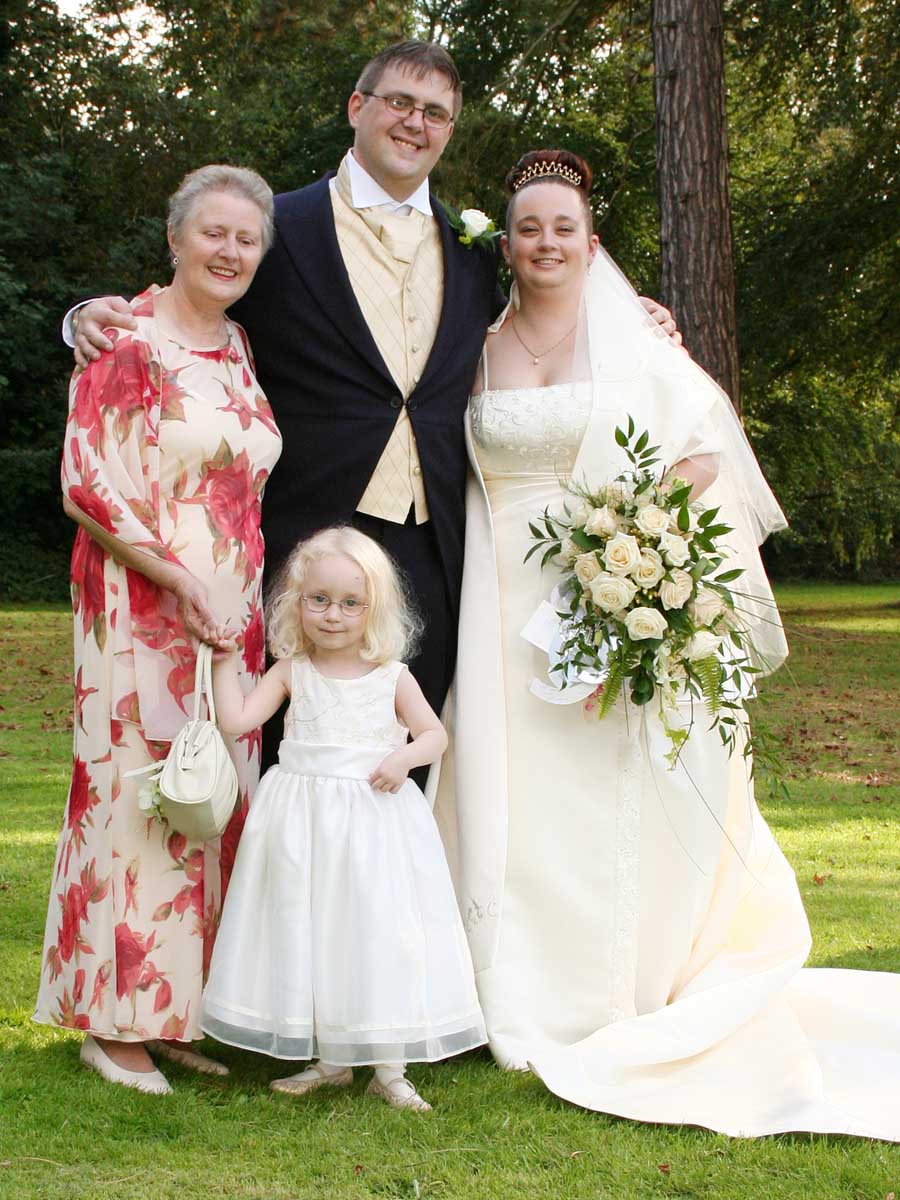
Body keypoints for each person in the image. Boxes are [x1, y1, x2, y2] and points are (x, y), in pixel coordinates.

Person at [433, 148, 900, 1139]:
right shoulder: (472, 345)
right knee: (512, 791)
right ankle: (499, 988)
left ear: (591, 242)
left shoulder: (636, 341)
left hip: (605, 590)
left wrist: (634, 556)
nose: (546, 243)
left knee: (606, 790)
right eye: (528, 228)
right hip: (501, 599)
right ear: (505, 246)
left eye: (564, 228)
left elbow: (698, 457)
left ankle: (618, 988)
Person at [67, 41, 679, 766]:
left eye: (436, 112)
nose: (416, 123)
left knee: (412, 756)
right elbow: (194, 302)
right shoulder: (279, 228)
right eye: (400, 102)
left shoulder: (474, 249)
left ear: (449, 129)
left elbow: (537, 321)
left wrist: (632, 317)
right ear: (358, 107)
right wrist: (84, 317)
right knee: (291, 755)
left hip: (435, 542)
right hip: (307, 539)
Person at [34, 165, 282, 1094]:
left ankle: (173, 1011)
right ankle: (111, 1024)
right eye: (212, 232)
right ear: (175, 239)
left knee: (204, 801)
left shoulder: (238, 345)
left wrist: (229, 597)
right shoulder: (124, 338)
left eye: (246, 239)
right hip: (140, 603)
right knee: (134, 802)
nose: (229, 251)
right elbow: (87, 484)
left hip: (229, 615)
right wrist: (178, 581)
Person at [199, 527, 486, 1111]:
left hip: (374, 825)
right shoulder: (291, 670)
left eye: (351, 603)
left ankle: (390, 1066)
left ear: (374, 609)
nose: (333, 615)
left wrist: (402, 759)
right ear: (296, 602)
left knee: (378, 931)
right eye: (319, 600)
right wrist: (224, 663)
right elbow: (236, 721)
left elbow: (434, 735)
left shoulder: (391, 675)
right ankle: (331, 1060)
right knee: (319, 930)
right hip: (303, 826)